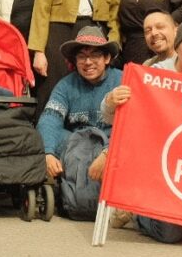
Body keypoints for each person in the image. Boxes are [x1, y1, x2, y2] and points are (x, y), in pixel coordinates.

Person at [99, 18, 182, 244]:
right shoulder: (154, 73)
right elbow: (114, 118)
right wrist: (111, 101)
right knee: (170, 233)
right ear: (177, 46)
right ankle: (137, 212)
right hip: (158, 161)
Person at [39, 25, 123, 218]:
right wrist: (48, 152)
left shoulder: (123, 80)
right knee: (67, 137)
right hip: (78, 147)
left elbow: (135, 126)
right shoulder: (65, 85)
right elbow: (50, 118)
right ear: (74, 61)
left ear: (107, 58)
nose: (88, 62)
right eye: (81, 56)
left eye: (94, 55)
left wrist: (107, 152)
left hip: (113, 146)